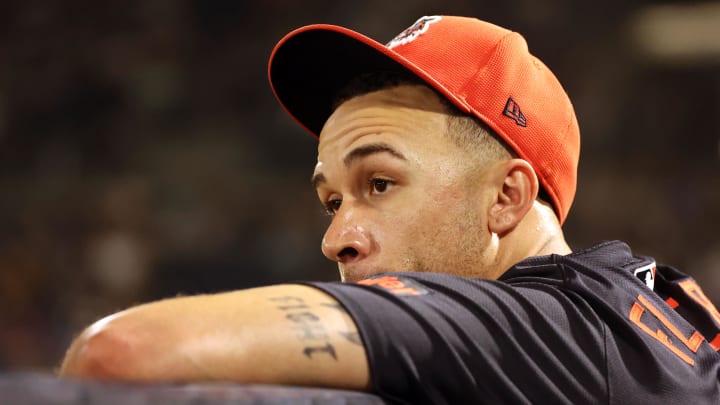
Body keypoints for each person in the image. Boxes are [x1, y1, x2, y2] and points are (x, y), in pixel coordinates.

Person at [60, 15, 720, 404]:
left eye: (379, 183)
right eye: (330, 199)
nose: (335, 238)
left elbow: (122, 350)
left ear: (506, 198)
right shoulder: (644, 304)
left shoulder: (547, 326)